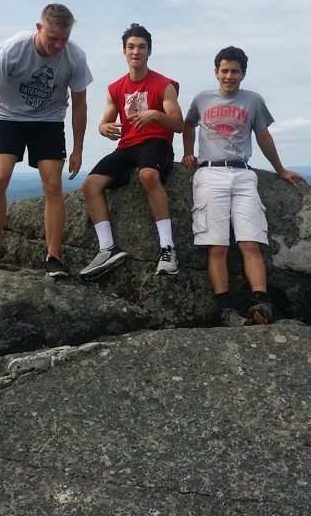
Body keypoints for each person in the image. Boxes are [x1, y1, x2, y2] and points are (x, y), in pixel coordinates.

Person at [182, 45, 306, 327]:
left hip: (243, 174)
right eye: (224, 70)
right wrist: (188, 152)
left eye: (235, 71)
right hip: (210, 173)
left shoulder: (253, 100)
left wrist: (280, 170)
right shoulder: (201, 99)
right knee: (217, 247)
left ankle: (260, 303)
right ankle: (226, 311)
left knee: (251, 242)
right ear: (216, 72)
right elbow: (188, 125)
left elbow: (263, 137)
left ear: (243, 74)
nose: (229, 76)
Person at [0, 3, 93, 277]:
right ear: (39, 28)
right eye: (53, 38)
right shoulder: (14, 49)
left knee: (53, 185)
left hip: (49, 121)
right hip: (9, 118)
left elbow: (80, 105)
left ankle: (53, 256)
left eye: (64, 39)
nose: (58, 45)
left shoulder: (75, 56)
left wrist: (78, 149)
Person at [80, 23, 183, 278]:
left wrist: (155, 115)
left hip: (156, 142)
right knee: (90, 185)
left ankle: (168, 249)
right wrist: (103, 128)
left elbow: (178, 124)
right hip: (127, 145)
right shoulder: (115, 88)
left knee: (148, 175)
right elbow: (105, 121)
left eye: (142, 47)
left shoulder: (164, 85)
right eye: (131, 47)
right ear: (124, 51)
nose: (136, 51)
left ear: (150, 51)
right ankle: (107, 248)